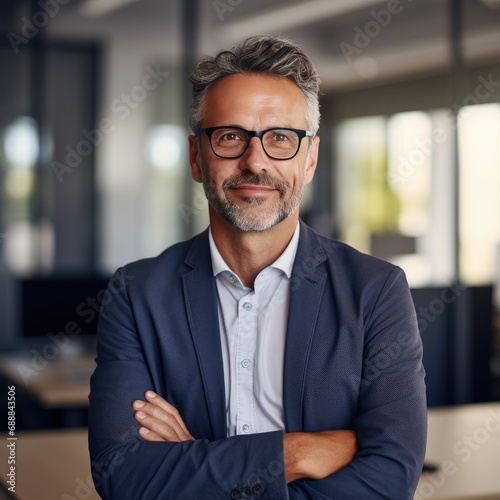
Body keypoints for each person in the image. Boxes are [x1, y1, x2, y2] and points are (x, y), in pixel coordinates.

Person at [88, 34, 427, 499]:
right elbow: (121, 476)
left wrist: (199, 459)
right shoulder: (137, 293)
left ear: (310, 159)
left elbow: (389, 481)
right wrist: (292, 455)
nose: (255, 162)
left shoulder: (376, 290)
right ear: (195, 157)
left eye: (281, 139)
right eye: (230, 136)